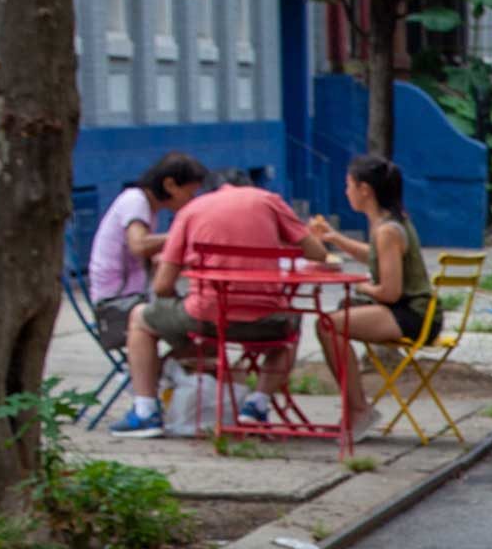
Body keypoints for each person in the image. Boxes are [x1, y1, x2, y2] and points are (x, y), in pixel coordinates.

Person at [107, 175, 328, 438]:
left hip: (207, 317)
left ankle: (145, 411)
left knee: (140, 318)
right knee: (291, 324)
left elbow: (162, 286)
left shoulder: (192, 210)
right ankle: (257, 403)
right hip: (266, 320)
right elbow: (319, 253)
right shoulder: (270, 202)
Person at [306, 155, 432, 433]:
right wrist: (335, 238)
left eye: (349, 185)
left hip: (411, 313)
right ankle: (356, 409)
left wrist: (361, 287)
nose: (346, 191)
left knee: (327, 325)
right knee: (337, 317)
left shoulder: (386, 230)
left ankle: (358, 410)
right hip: (409, 308)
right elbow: (377, 257)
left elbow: (389, 292)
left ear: (365, 190)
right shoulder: (390, 223)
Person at [85, 153, 208, 354]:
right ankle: (161, 371)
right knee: (196, 324)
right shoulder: (135, 201)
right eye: (190, 193)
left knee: (194, 321)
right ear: (170, 185)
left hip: (131, 295)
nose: (191, 200)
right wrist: (181, 236)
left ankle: (167, 370)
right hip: (118, 303)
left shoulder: (147, 209)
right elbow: (139, 245)